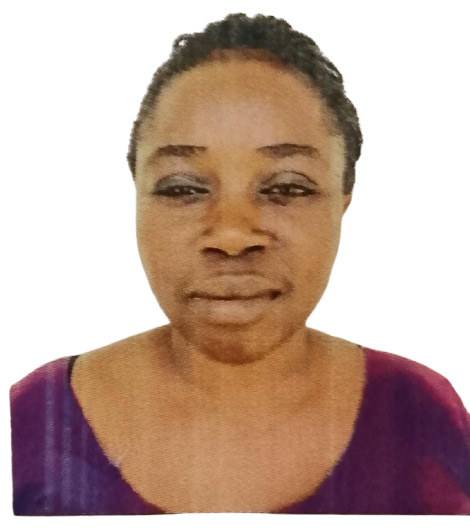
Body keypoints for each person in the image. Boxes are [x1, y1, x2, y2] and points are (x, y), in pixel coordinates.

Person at [10, 13, 470, 515]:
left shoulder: (419, 411)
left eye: (287, 187)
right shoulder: (33, 419)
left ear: (343, 203)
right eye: (182, 188)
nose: (232, 236)